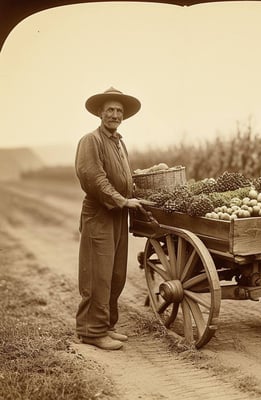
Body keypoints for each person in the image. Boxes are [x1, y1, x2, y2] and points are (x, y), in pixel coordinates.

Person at [75, 87, 152, 350]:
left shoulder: (118, 142)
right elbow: (94, 177)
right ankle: (92, 331)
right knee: (98, 274)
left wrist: (132, 194)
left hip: (118, 214)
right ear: (100, 112)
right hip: (100, 213)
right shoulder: (91, 140)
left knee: (116, 274)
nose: (115, 114)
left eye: (119, 111)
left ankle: (107, 325)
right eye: (110, 109)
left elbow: (124, 177)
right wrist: (121, 200)